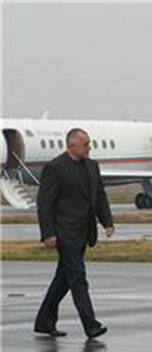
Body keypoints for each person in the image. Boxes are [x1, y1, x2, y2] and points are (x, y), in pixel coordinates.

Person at [34, 128, 114, 338]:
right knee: (78, 278)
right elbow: (45, 203)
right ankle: (91, 325)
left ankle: (44, 322)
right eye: (86, 144)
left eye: (89, 143)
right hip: (64, 233)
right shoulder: (55, 168)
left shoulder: (92, 166)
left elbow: (99, 196)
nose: (90, 147)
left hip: (83, 232)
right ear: (72, 146)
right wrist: (48, 233)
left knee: (63, 279)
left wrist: (107, 222)